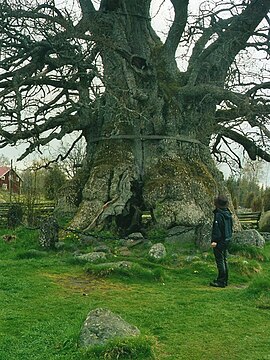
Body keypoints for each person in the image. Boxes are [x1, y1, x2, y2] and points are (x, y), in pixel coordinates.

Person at [210, 195, 233, 288]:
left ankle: (221, 281)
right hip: (227, 238)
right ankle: (224, 280)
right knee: (224, 259)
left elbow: (217, 228)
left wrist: (214, 240)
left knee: (220, 260)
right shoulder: (228, 213)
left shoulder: (219, 214)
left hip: (220, 240)